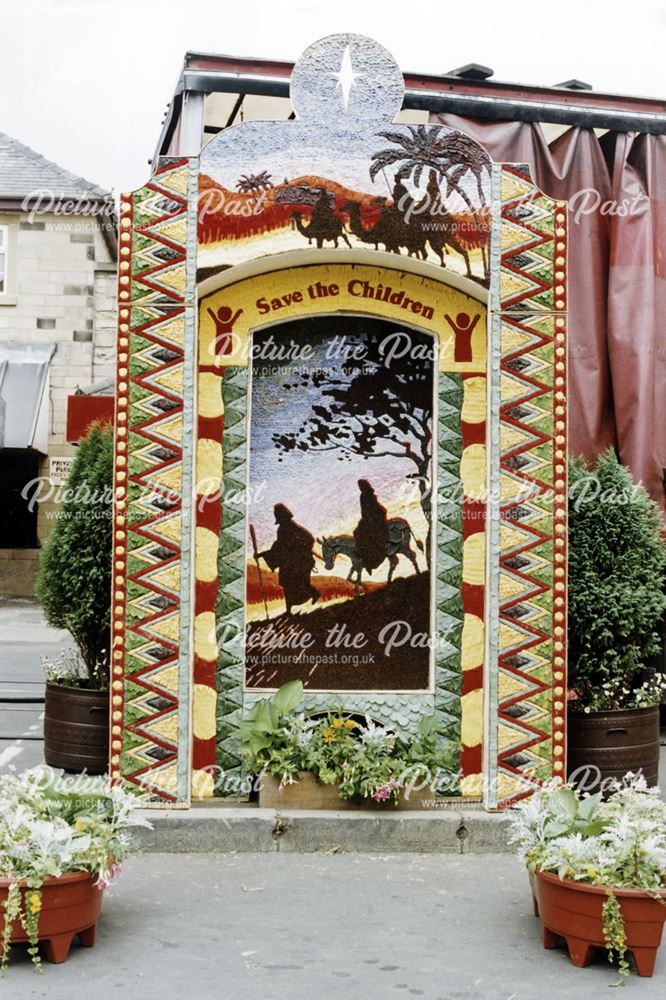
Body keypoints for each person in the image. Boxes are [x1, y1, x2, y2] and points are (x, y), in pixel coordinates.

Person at [260, 504, 318, 614]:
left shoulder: (293, 527)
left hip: (300, 562)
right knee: (287, 584)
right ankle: (289, 610)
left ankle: (314, 593)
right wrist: (263, 554)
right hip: (289, 563)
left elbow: (309, 539)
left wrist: (300, 550)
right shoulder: (281, 530)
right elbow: (279, 546)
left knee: (300, 583)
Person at [353, 480, 389, 575]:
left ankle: (368, 558)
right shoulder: (365, 495)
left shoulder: (365, 496)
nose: (360, 488)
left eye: (361, 486)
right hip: (370, 517)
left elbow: (371, 508)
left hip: (374, 518)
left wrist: (367, 517)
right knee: (357, 532)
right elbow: (365, 510)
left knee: (360, 533)